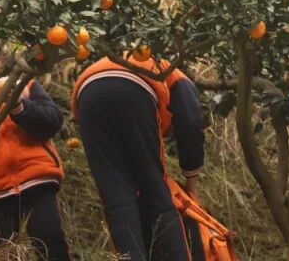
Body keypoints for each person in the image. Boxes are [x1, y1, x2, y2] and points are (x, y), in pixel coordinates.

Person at [72, 52, 205, 261]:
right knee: (155, 191)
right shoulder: (176, 77)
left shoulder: (119, 60)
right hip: (134, 85)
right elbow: (191, 123)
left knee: (116, 196)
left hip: (87, 95)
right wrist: (191, 180)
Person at [0, 54, 71, 261]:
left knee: (50, 239)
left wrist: (19, 106)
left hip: (36, 178)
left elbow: (53, 121)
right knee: (3, 252)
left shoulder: (22, 85)